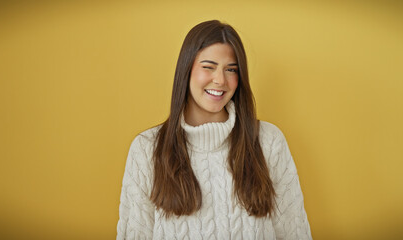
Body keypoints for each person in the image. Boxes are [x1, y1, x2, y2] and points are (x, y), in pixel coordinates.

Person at [116, 20, 312, 240]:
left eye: (231, 70)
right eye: (208, 67)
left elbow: (295, 232)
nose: (220, 80)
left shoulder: (268, 141)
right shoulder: (146, 149)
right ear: (186, 70)